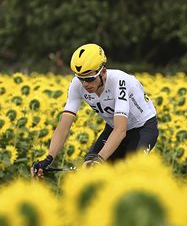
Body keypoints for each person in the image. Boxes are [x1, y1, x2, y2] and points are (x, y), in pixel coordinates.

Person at [31, 43, 158, 177]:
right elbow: (63, 128)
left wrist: (100, 160)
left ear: (103, 72)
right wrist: (48, 159)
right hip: (112, 127)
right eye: (81, 79)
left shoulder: (120, 81)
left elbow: (120, 130)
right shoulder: (77, 85)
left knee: (130, 172)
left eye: (90, 79)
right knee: (89, 169)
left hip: (143, 128)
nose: (85, 84)